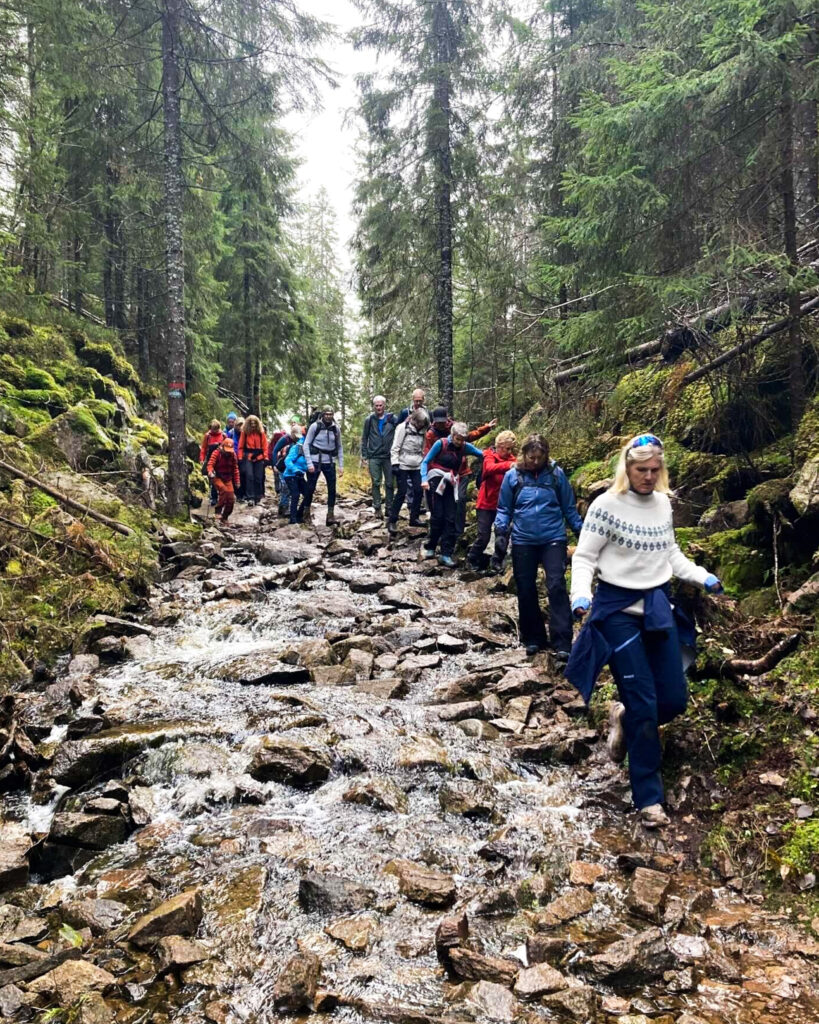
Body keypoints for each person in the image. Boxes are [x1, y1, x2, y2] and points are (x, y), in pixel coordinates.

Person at [566, 433, 722, 829]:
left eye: (655, 470)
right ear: (626, 468)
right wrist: (580, 595)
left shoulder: (662, 505)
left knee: (672, 700)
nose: (648, 477)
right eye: (641, 470)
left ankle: (622, 718)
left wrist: (703, 577)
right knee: (645, 704)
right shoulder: (606, 505)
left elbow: (670, 554)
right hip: (618, 611)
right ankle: (649, 797)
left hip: (656, 605)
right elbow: (585, 556)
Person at [494, 433, 583, 664]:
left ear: (546, 455)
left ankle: (562, 641)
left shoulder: (555, 475)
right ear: (524, 455)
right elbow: (504, 507)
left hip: (553, 537)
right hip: (523, 539)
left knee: (556, 585)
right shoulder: (513, 476)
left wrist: (583, 533)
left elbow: (569, 507)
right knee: (525, 588)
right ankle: (533, 637)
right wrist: (501, 531)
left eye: (539, 457)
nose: (535, 462)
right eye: (531, 457)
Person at [420, 422, 483, 567]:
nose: (460, 442)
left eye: (463, 439)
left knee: (450, 517)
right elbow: (425, 462)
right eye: (458, 439)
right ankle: (431, 546)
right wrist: (424, 480)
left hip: (451, 482)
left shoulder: (465, 447)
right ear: (452, 435)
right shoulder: (440, 444)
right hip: (435, 480)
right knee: (438, 516)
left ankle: (446, 553)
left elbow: (481, 454)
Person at [466, 430, 517, 571]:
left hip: (504, 505)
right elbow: (488, 469)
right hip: (486, 503)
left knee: (503, 534)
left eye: (511, 448)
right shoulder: (489, 455)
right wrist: (508, 466)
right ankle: (472, 558)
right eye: (506, 448)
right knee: (484, 536)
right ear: (499, 446)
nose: (509, 451)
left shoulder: (513, 460)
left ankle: (496, 562)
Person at [388, 407, 430, 535]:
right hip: (402, 463)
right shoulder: (403, 427)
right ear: (415, 420)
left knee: (418, 491)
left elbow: (423, 447)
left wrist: (424, 462)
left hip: (417, 464)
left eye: (423, 424)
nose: (420, 426)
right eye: (419, 423)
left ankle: (414, 518)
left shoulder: (423, 430)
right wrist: (395, 463)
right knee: (402, 492)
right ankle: (392, 520)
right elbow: (395, 447)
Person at [303, 405, 344, 525]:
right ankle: (306, 513)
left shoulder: (336, 429)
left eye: (330, 414)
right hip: (315, 461)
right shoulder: (315, 427)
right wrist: (309, 463)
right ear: (323, 415)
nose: (328, 416)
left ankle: (330, 515)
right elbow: (306, 445)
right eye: (326, 414)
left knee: (332, 489)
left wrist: (341, 465)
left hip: (330, 462)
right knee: (310, 488)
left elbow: (339, 447)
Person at [361, 395, 396, 517]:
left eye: (380, 405)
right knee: (376, 482)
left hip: (389, 456)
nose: (378, 408)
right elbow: (364, 438)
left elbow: (400, 433)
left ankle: (389, 507)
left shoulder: (392, 419)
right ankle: (377, 507)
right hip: (374, 456)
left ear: (384, 405)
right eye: (376, 405)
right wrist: (364, 455)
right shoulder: (369, 420)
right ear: (374, 406)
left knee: (390, 483)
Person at [271, 422, 303, 518]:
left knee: (289, 488)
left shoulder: (299, 441)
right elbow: (275, 451)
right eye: (295, 436)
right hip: (281, 465)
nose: (297, 438)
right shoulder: (285, 439)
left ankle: (284, 507)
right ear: (292, 433)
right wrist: (274, 465)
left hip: (291, 467)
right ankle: (284, 507)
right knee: (285, 486)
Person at [207, 436, 240, 525]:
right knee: (223, 490)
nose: (227, 452)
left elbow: (235, 469)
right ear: (222, 446)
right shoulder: (216, 453)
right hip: (217, 476)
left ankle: (225, 517)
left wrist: (237, 481)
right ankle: (218, 511)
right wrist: (210, 472)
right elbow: (210, 464)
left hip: (228, 478)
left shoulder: (233, 455)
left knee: (231, 498)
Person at [238, 415, 268, 506]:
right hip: (248, 456)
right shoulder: (245, 432)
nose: (253, 425)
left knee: (258, 477)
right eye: (251, 424)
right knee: (249, 476)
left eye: (255, 423)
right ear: (248, 424)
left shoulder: (261, 433)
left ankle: (258, 497)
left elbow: (265, 446)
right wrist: (240, 458)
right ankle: (250, 497)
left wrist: (264, 457)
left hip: (259, 456)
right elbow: (240, 446)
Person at [283, 429, 309, 524]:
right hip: (290, 475)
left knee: (308, 494)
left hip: (300, 476)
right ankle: (292, 519)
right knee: (296, 494)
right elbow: (287, 461)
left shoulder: (309, 449)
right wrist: (295, 470)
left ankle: (299, 515)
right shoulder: (298, 447)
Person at [200, 420, 227, 506]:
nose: (214, 431)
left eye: (216, 429)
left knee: (221, 478)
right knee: (212, 479)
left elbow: (227, 448)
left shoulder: (223, 436)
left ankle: (222, 496)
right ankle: (214, 497)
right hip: (210, 460)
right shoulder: (207, 436)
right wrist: (202, 459)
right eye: (213, 429)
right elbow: (204, 448)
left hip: (220, 460)